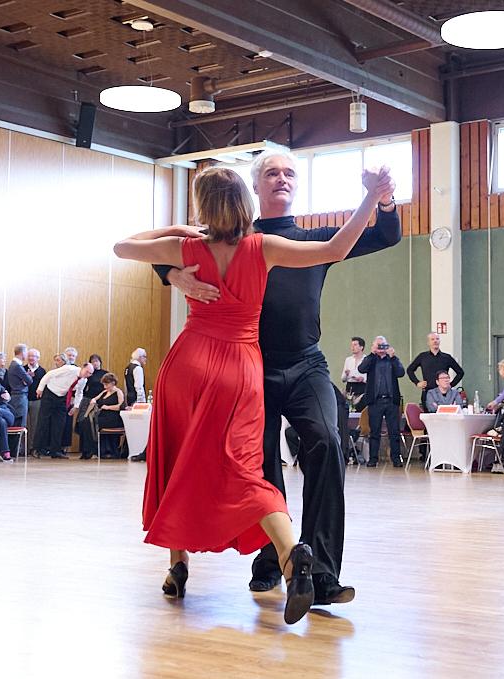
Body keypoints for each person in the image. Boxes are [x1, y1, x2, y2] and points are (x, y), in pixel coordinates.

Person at [116, 163, 392, 624]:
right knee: (248, 465)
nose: (282, 179)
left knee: (183, 457)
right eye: (272, 174)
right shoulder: (261, 247)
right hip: (244, 366)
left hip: (215, 362)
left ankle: (187, 563)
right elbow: (338, 248)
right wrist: (369, 196)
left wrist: (178, 242)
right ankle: (283, 555)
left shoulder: (190, 246)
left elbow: (123, 246)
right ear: (250, 193)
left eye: (289, 173)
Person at [358, 335, 406, 467]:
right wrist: (371, 354)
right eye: (378, 346)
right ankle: (373, 459)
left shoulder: (392, 360)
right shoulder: (371, 359)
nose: (381, 348)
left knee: (394, 432)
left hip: (391, 401)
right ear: (374, 347)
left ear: (388, 346)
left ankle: (396, 459)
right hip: (375, 401)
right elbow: (361, 369)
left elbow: (401, 372)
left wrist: (394, 357)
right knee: (374, 431)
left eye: (383, 345)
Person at [34, 361, 93, 459]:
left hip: (62, 397)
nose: (88, 375)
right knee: (43, 422)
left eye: (90, 374)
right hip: (50, 393)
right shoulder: (69, 369)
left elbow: (79, 393)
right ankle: (37, 449)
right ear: (82, 367)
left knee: (59, 424)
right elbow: (49, 374)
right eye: (87, 372)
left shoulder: (83, 380)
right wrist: (40, 388)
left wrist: (76, 406)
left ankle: (55, 450)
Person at [406, 332, 464, 408]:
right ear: (428, 342)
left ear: (439, 341)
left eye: (437, 339)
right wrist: (417, 382)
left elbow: (460, 372)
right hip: (428, 392)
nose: (435, 341)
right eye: (432, 339)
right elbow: (410, 370)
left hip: (444, 394)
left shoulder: (446, 357)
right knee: (428, 416)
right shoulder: (422, 356)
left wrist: (451, 384)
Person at [79, 372, 126, 459]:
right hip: (102, 416)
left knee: (92, 423)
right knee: (85, 422)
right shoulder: (104, 392)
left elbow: (121, 406)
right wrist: (93, 401)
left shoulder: (118, 392)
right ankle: (88, 450)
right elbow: (95, 399)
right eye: (104, 384)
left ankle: (94, 451)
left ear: (113, 383)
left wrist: (108, 407)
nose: (105, 386)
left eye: (106, 384)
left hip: (113, 418)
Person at [74, 353, 108, 459]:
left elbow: (106, 389)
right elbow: (82, 389)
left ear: (100, 362)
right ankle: (84, 450)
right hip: (87, 400)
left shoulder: (105, 373)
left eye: (97, 361)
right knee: (83, 423)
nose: (95, 363)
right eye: (93, 361)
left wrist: (98, 399)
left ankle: (93, 450)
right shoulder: (89, 374)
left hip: (98, 401)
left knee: (92, 425)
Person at [5, 343, 33, 428]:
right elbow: (29, 381)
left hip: (17, 396)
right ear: (22, 353)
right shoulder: (17, 366)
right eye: (26, 352)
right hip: (20, 397)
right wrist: (27, 377)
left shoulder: (14, 365)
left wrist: (25, 378)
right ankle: (18, 442)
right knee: (20, 424)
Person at [25, 348, 46, 450]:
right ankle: (22, 449)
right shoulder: (22, 369)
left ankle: (32, 448)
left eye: (33, 356)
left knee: (35, 425)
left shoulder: (42, 371)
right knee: (23, 424)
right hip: (24, 400)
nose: (31, 358)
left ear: (38, 358)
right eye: (29, 356)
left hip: (37, 401)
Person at [341, 336, 368, 410]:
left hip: (362, 387)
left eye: (355, 345)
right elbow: (343, 379)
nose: (352, 347)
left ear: (361, 347)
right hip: (350, 387)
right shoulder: (348, 360)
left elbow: (371, 378)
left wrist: (363, 379)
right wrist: (346, 374)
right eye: (352, 345)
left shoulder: (366, 360)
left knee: (360, 409)